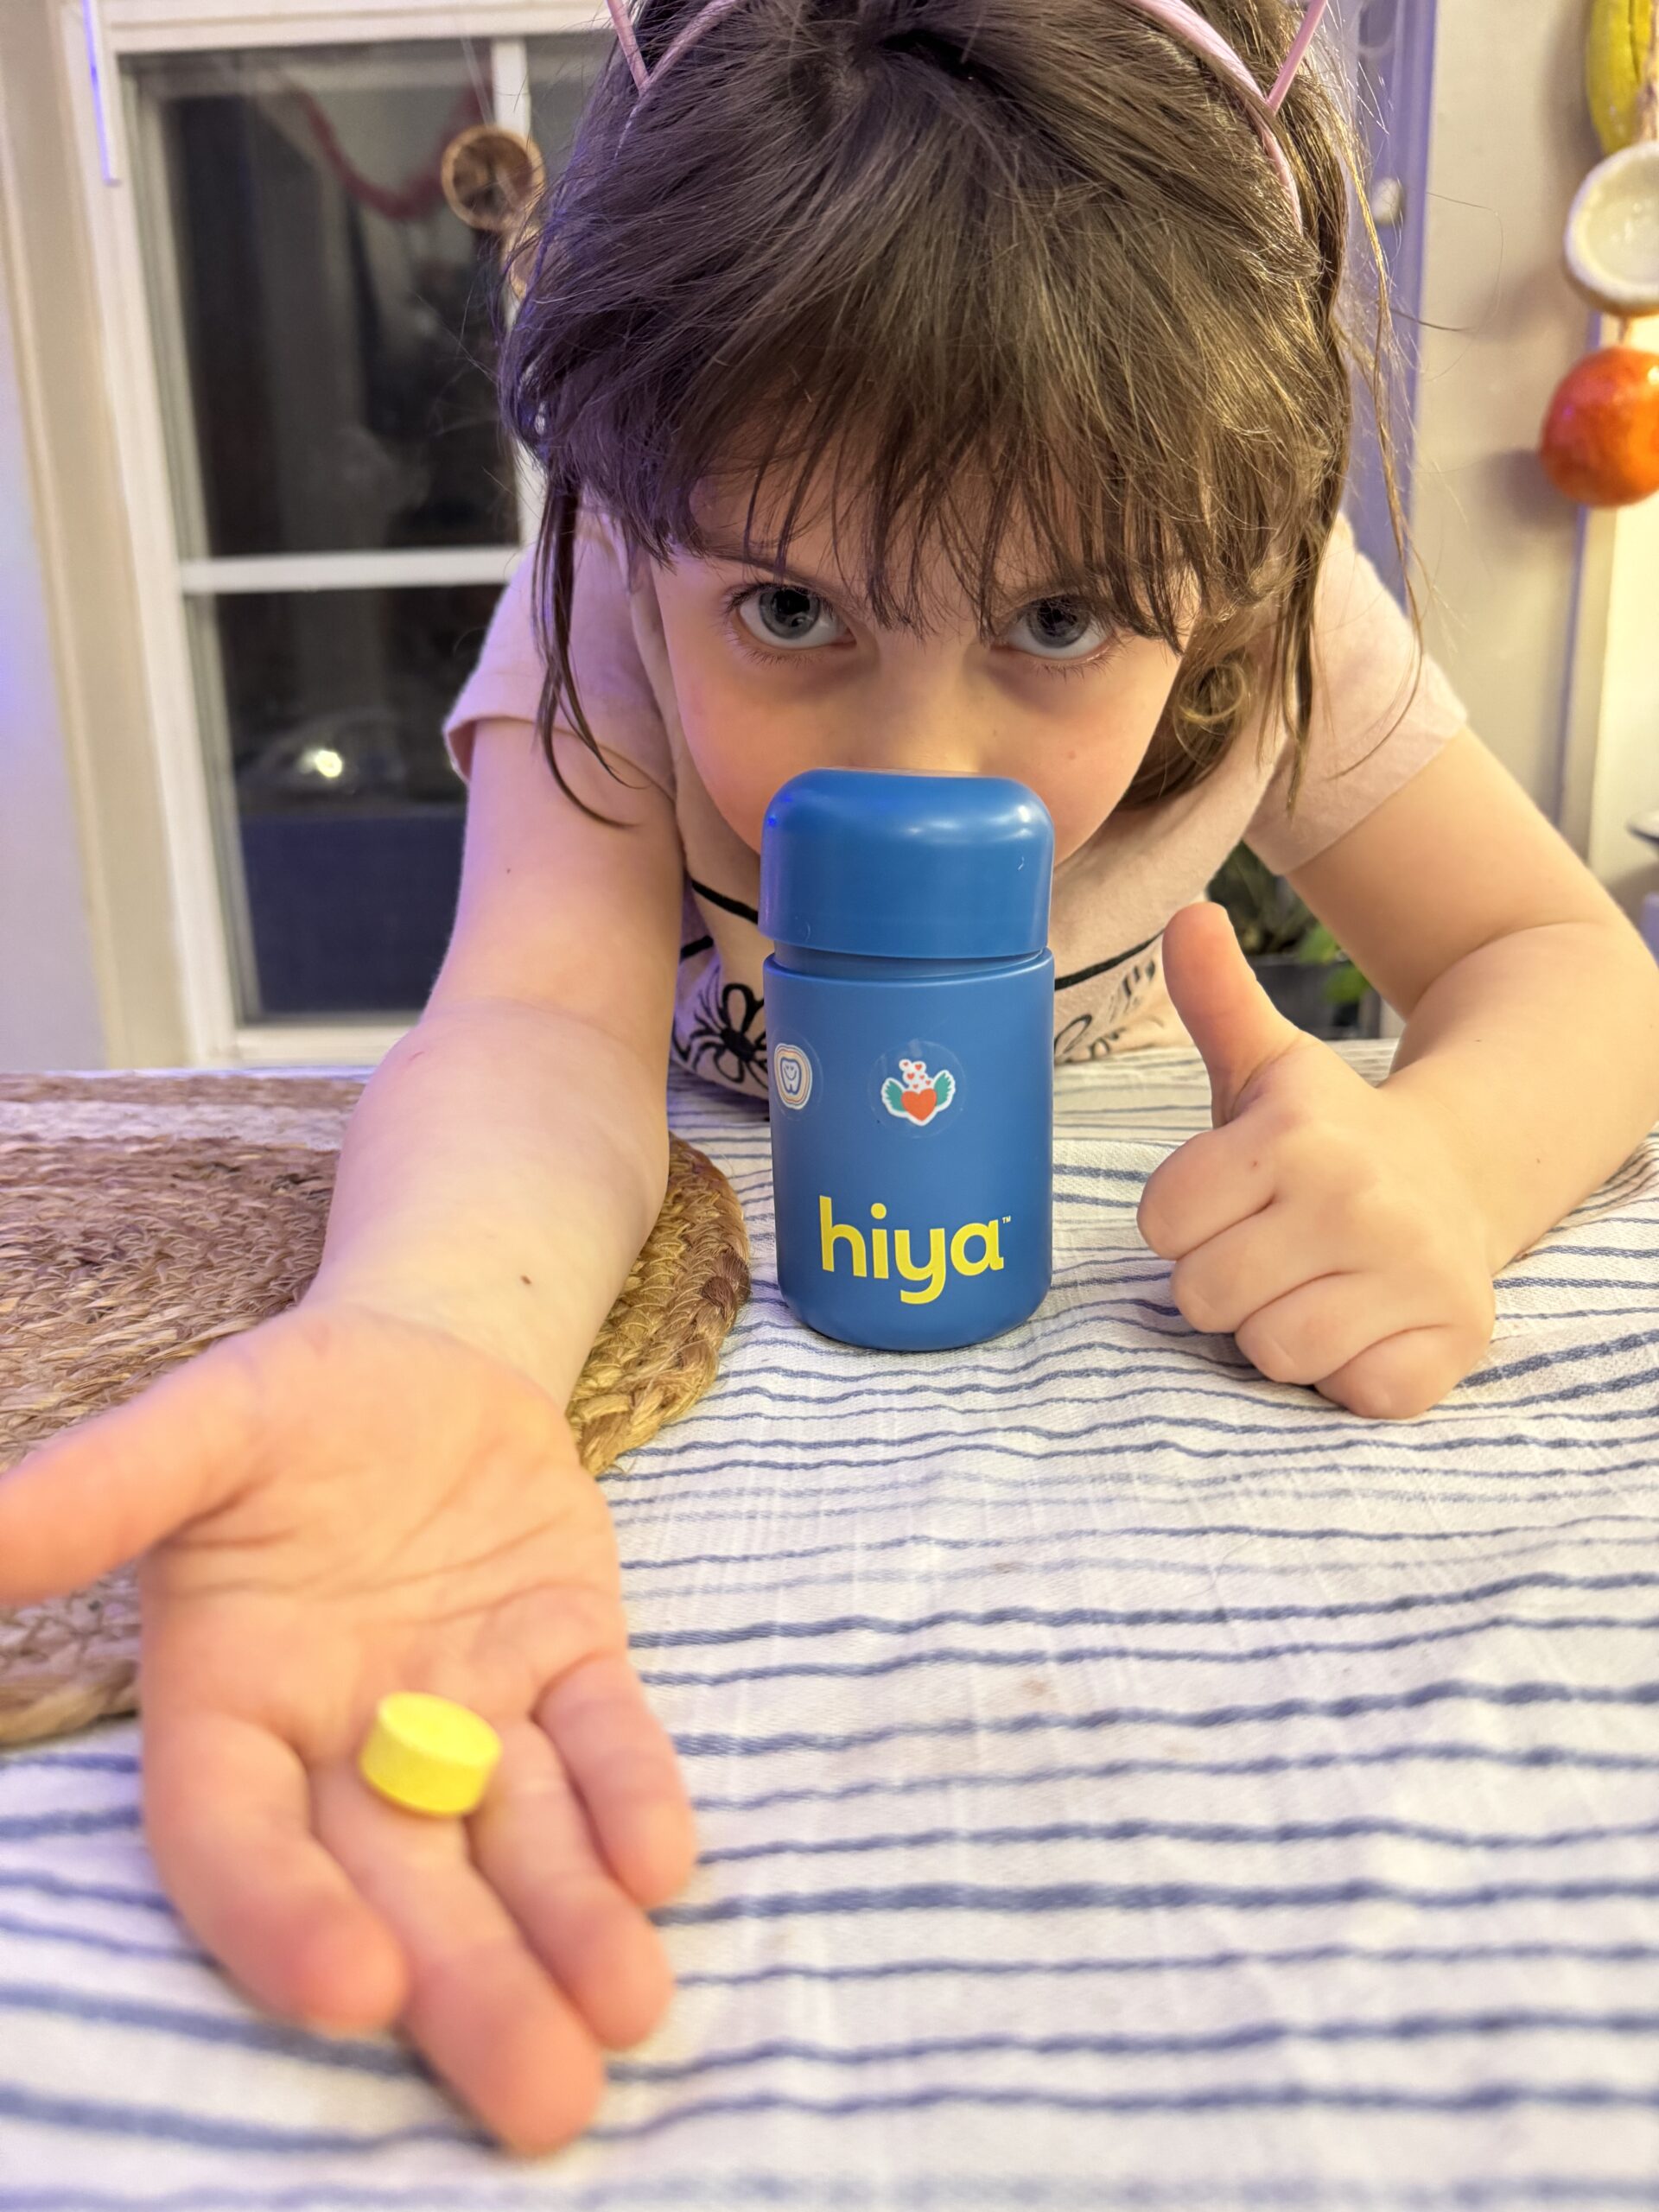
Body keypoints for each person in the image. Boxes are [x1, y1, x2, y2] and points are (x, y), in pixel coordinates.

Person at [3, 0, 1657, 2158]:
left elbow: (1569, 966)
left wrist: (1447, 1159)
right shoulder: (618, 581)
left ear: (1228, 568)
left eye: (1058, 624)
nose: (915, 763)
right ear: (643, 516)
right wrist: (430, 1331)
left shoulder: (1254, 576)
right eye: (790, 608)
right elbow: (533, 1032)